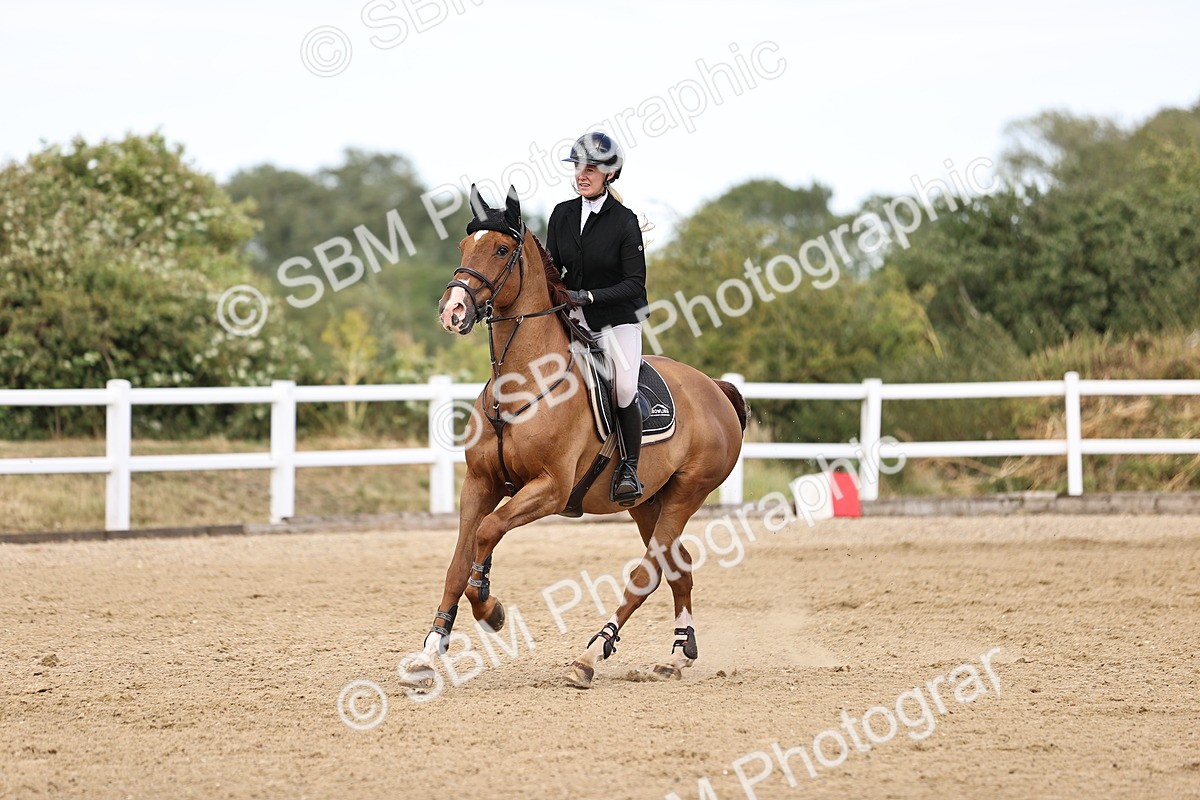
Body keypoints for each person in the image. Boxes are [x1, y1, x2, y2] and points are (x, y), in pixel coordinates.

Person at [545, 131, 648, 505]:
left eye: (590, 168)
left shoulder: (624, 221)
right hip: (574, 317)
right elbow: (552, 268)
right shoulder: (562, 214)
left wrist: (587, 295)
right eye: (578, 166)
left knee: (621, 388)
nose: (581, 174)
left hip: (617, 319)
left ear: (609, 174)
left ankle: (629, 469)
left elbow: (635, 283)